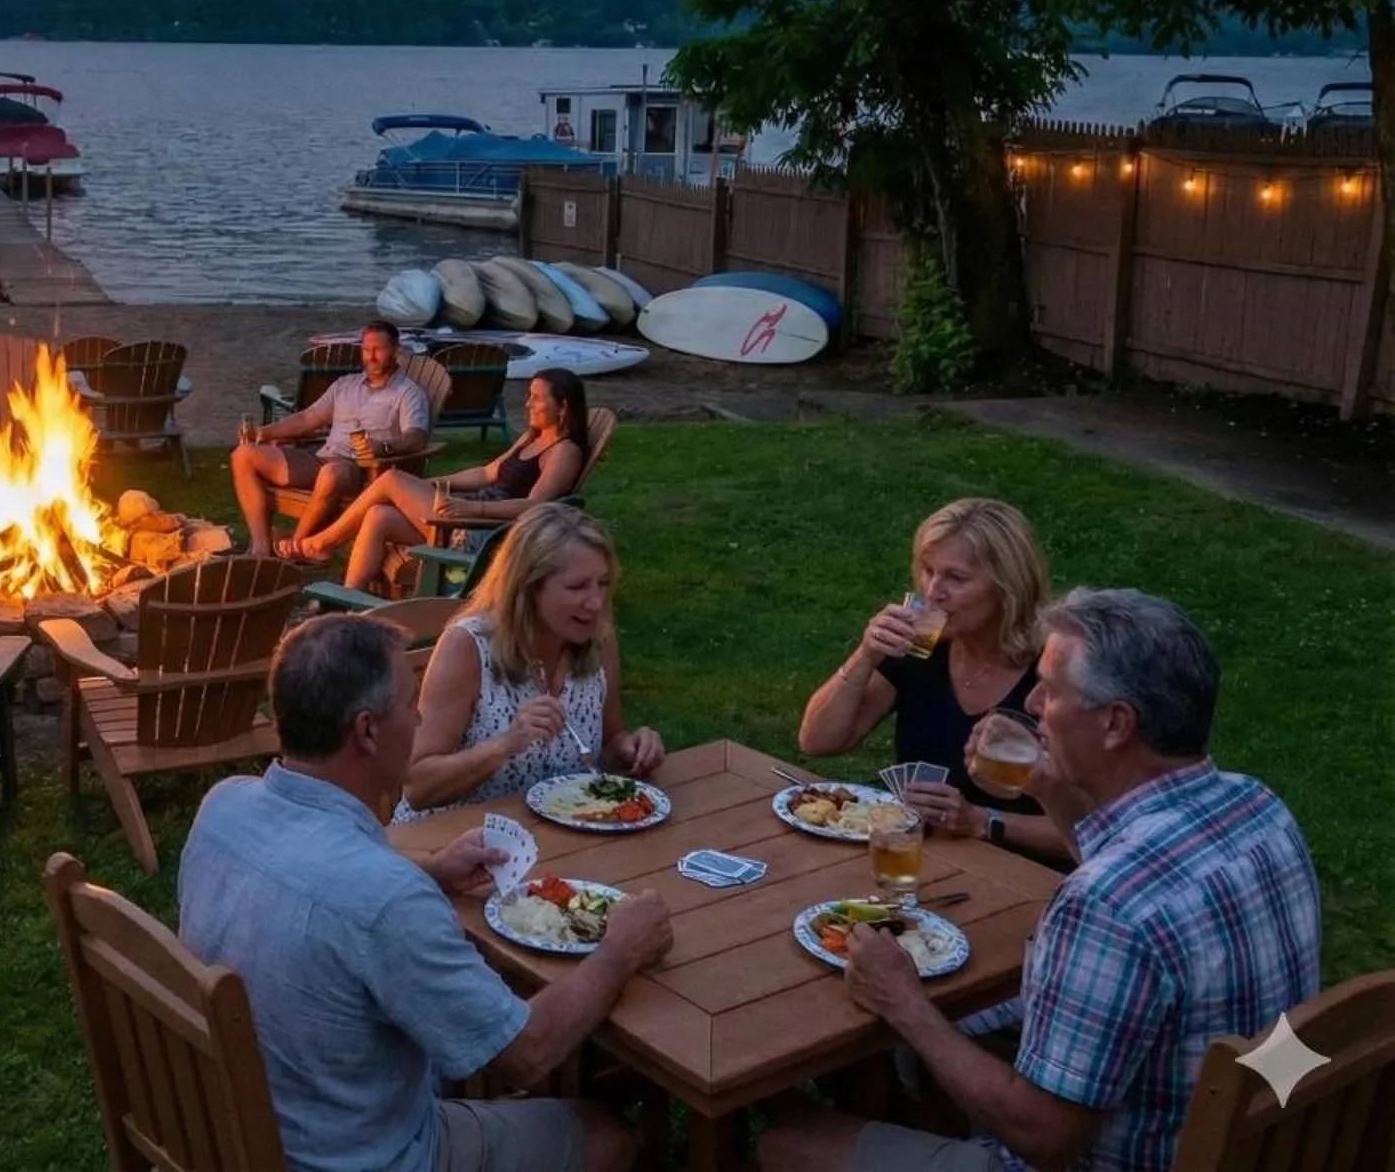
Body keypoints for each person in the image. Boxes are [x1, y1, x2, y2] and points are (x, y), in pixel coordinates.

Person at [761, 588, 1320, 1172]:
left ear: (1115, 723)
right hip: (1249, 1138)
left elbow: (1045, 1136)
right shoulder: (1258, 807)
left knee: (789, 1144)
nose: (1029, 702)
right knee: (931, 1047)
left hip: (1113, 1157)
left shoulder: (1105, 904)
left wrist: (905, 1004)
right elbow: (1123, 857)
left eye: (1049, 690)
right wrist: (1049, 786)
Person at [179, 612, 673, 1172]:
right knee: (606, 1137)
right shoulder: (385, 902)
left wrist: (430, 869)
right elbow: (525, 1053)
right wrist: (620, 949)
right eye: (409, 704)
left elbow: (322, 865)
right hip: (365, 1157)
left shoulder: (223, 806)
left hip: (246, 1125)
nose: (419, 718)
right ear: (367, 731)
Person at [797, 498, 1073, 864]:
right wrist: (866, 655)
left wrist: (980, 821)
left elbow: (1100, 830)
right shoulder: (922, 647)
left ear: (1008, 588)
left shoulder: (1056, 671)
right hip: (920, 858)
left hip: (1023, 875)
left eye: (956, 578)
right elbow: (818, 741)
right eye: (928, 571)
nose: (932, 592)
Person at [397, 503, 662, 819]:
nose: (596, 603)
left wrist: (629, 747)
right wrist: (506, 743)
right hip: (454, 846)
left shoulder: (598, 640)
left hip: (555, 835)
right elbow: (419, 787)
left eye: (602, 584)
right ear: (527, 589)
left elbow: (609, 740)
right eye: (578, 586)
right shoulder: (468, 647)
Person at [298, 368, 592, 589]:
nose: (528, 403)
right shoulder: (532, 438)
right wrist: (433, 484)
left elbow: (534, 506)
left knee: (391, 480)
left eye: (537, 398)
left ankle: (325, 541)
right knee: (378, 515)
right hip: (462, 519)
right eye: (529, 395)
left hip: (483, 533)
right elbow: (486, 473)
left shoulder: (564, 452)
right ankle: (350, 601)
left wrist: (472, 509)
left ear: (563, 407)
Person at [231, 320, 430, 560]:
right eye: (366, 350)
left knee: (332, 473)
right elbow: (308, 418)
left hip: (360, 470)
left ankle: (296, 546)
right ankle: (261, 548)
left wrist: (384, 447)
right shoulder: (345, 385)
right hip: (321, 460)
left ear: (395, 350)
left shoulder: (408, 393)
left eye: (379, 350)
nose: (371, 357)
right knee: (243, 455)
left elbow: (416, 437)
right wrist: (263, 433)